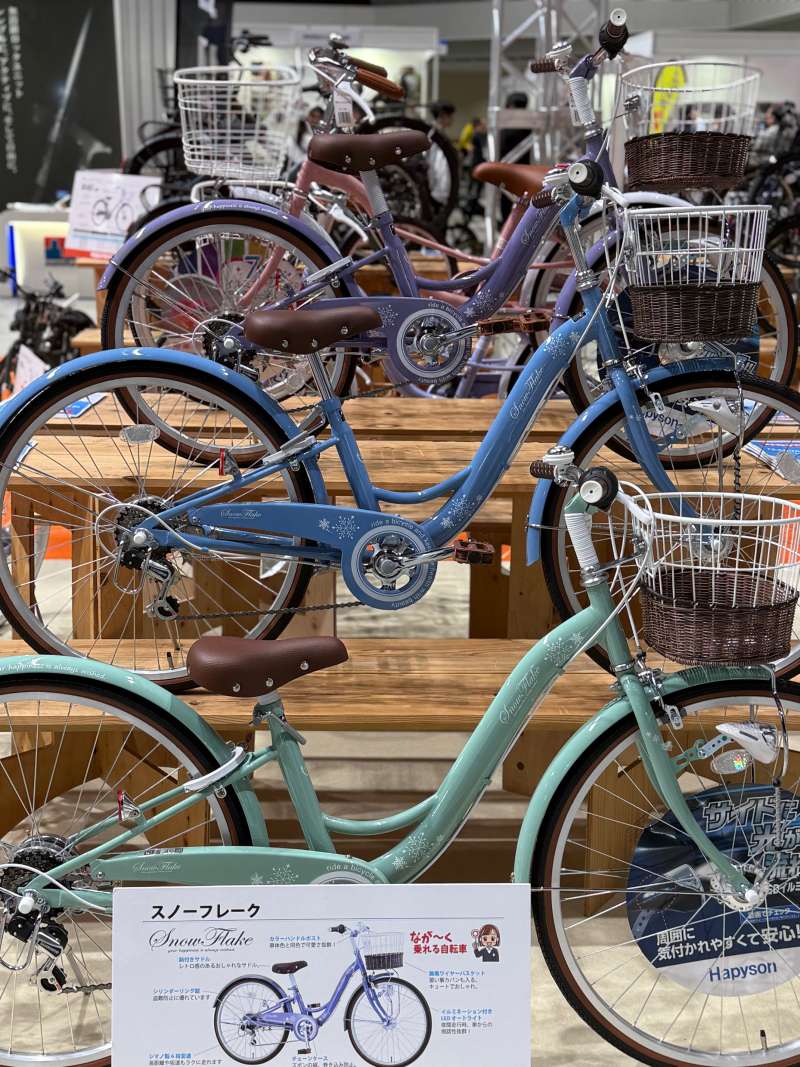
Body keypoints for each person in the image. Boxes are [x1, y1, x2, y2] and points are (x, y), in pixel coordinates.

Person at [427, 100, 456, 210]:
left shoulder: (436, 133)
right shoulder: (436, 136)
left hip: (436, 188)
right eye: (451, 116)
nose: (453, 120)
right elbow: (440, 166)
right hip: (436, 189)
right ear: (442, 116)